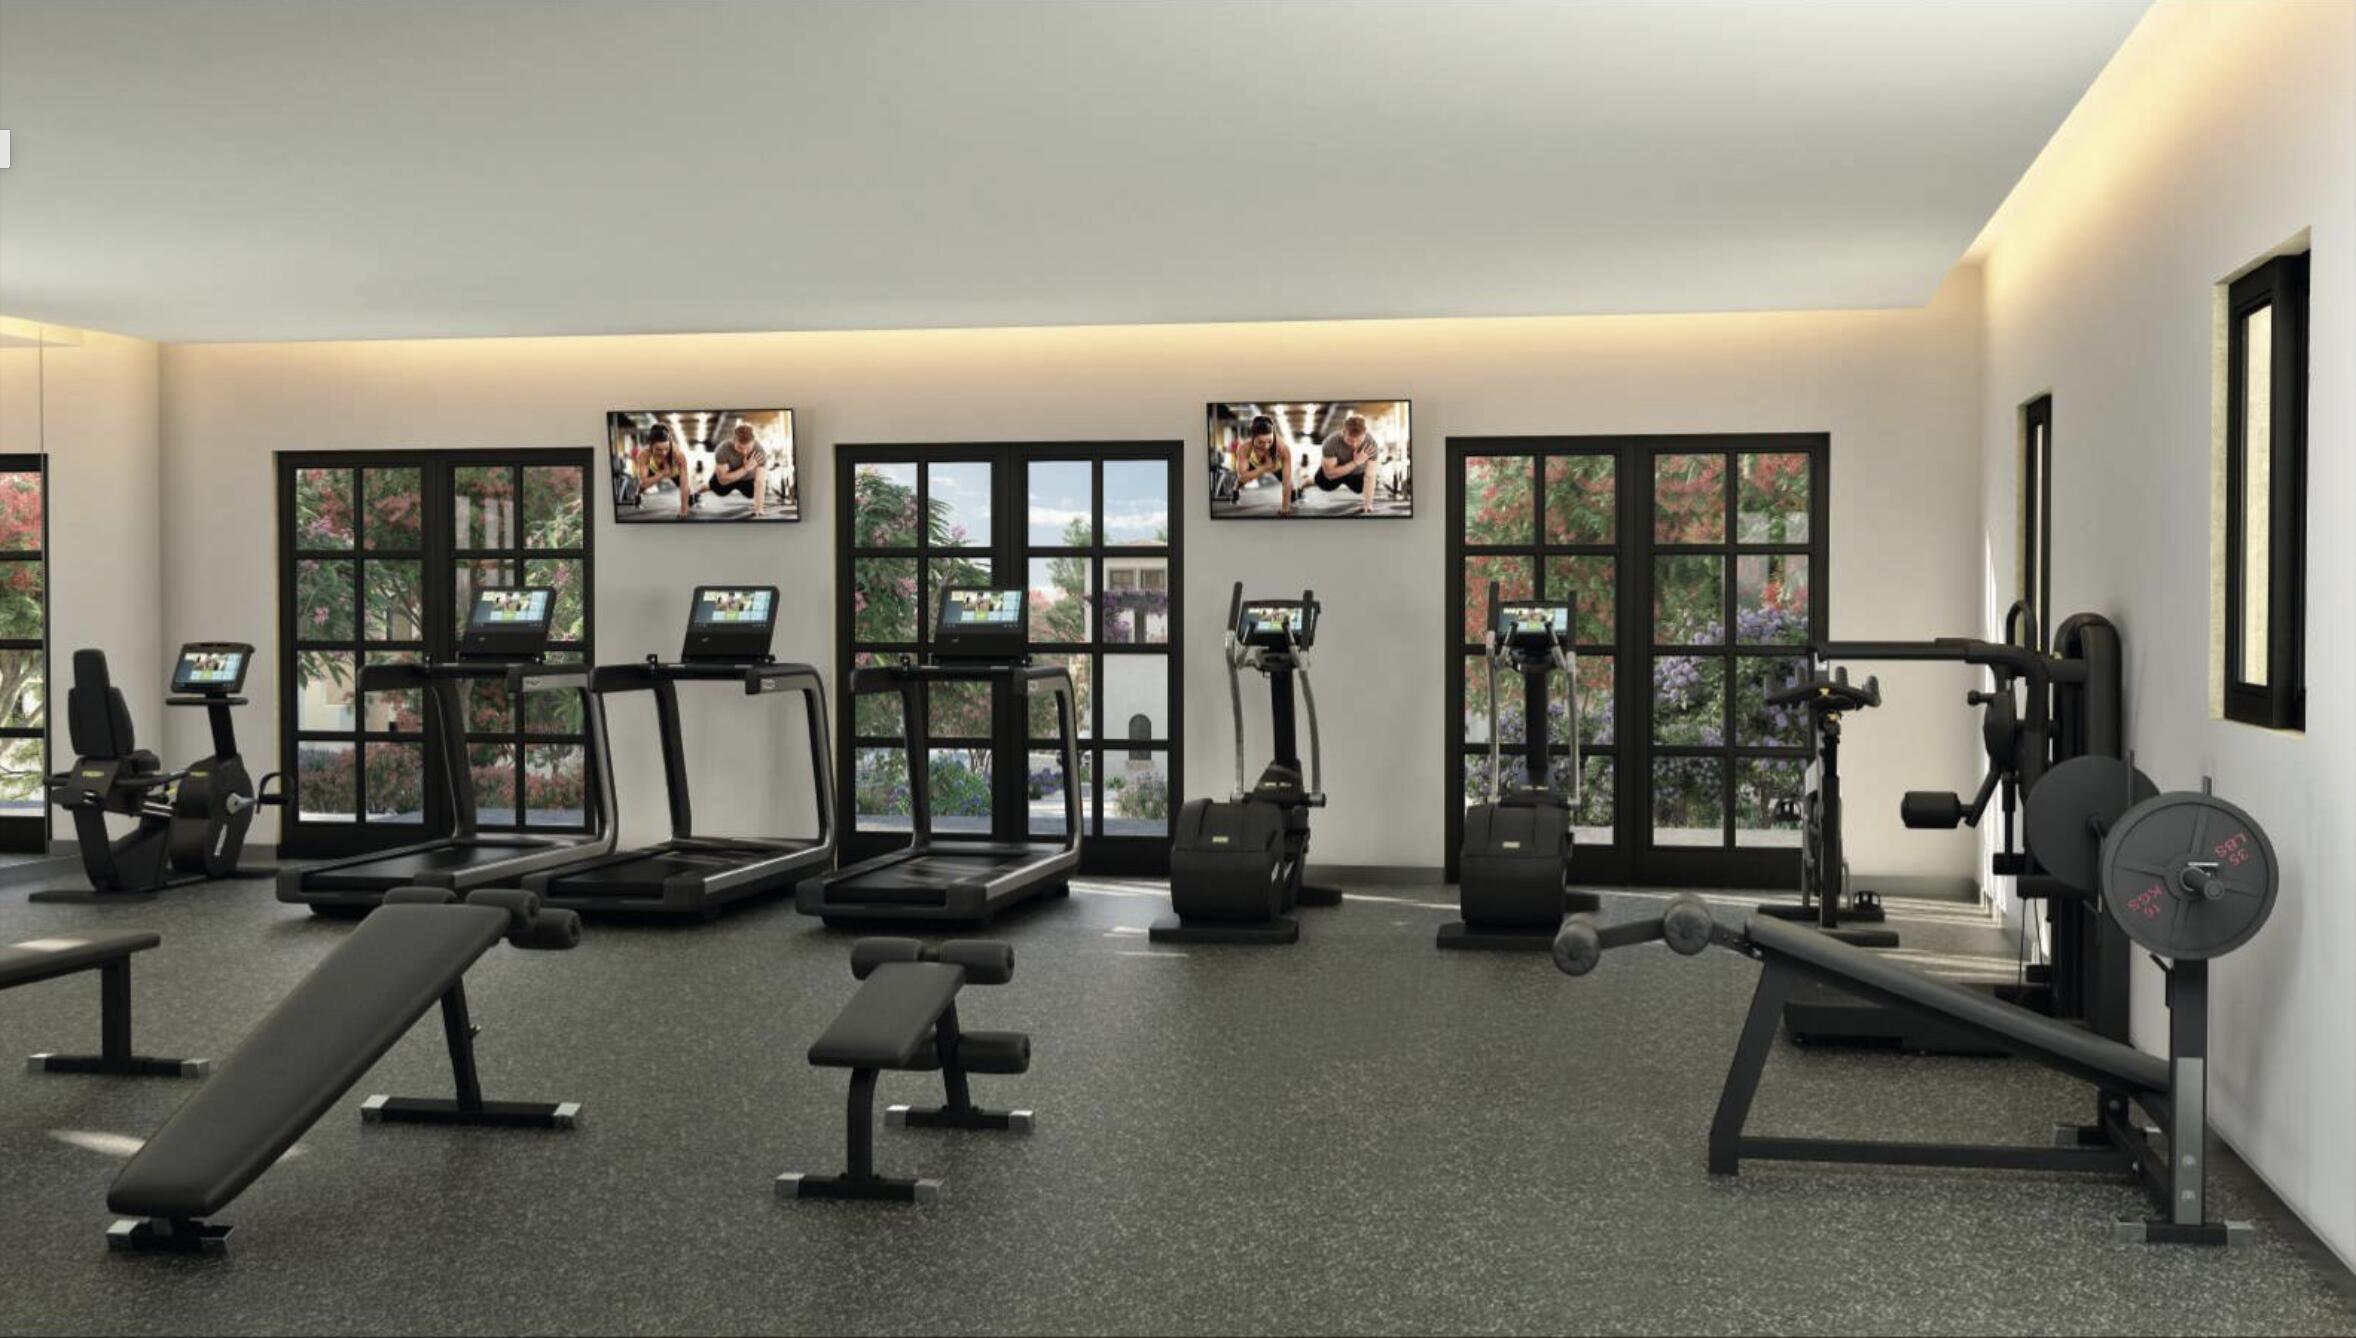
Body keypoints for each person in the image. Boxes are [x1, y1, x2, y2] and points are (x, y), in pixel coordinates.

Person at [1314, 412, 1381, 515]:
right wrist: (1355, 462)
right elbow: (1330, 474)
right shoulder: (1331, 442)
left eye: (1358, 441)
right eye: (1350, 440)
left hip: (1356, 475)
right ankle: (1310, 481)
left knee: (1364, 487)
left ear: (1365, 434)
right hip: (1334, 475)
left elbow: (1370, 475)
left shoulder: (1370, 444)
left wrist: (1367, 504)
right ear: (1343, 432)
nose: (1354, 445)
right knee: (1322, 483)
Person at [1232, 414, 1295, 517]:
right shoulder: (1245, 447)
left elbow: (1286, 481)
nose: (1266, 446)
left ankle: (1293, 496)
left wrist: (1285, 507)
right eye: (1260, 442)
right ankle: (1235, 490)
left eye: (1269, 441)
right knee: (1240, 481)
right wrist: (1264, 467)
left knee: (1289, 482)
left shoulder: (1283, 448)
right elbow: (1243, 476)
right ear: (1253, 438)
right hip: (1255, 464)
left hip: (1275, 466)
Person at [708, 422, 771, 518]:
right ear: (733, 440)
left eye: (748, 448)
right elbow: (723, 480)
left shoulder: (759, 451)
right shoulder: (722, 449)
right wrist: (745, 468)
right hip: (726, 481)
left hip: (746, 481)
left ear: (753, 442)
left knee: (753, 491)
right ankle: (705, 487)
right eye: (740, 448)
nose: (744, 452)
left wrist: (758, 508)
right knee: (716, 487)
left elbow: (760, 482)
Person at [634, 424, 689, 516]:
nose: (663, 453)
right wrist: (662, 473)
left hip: (672, 471)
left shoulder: (678, 454)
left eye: (666, 449)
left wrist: (684, 509)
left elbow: (685, 483)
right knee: (642, 487)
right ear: (651, 445)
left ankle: (692, 499)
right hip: (655, 469)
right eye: (658, 450)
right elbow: (644, 482)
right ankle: (637, 495)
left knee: (687, 492)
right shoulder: (644, 454)